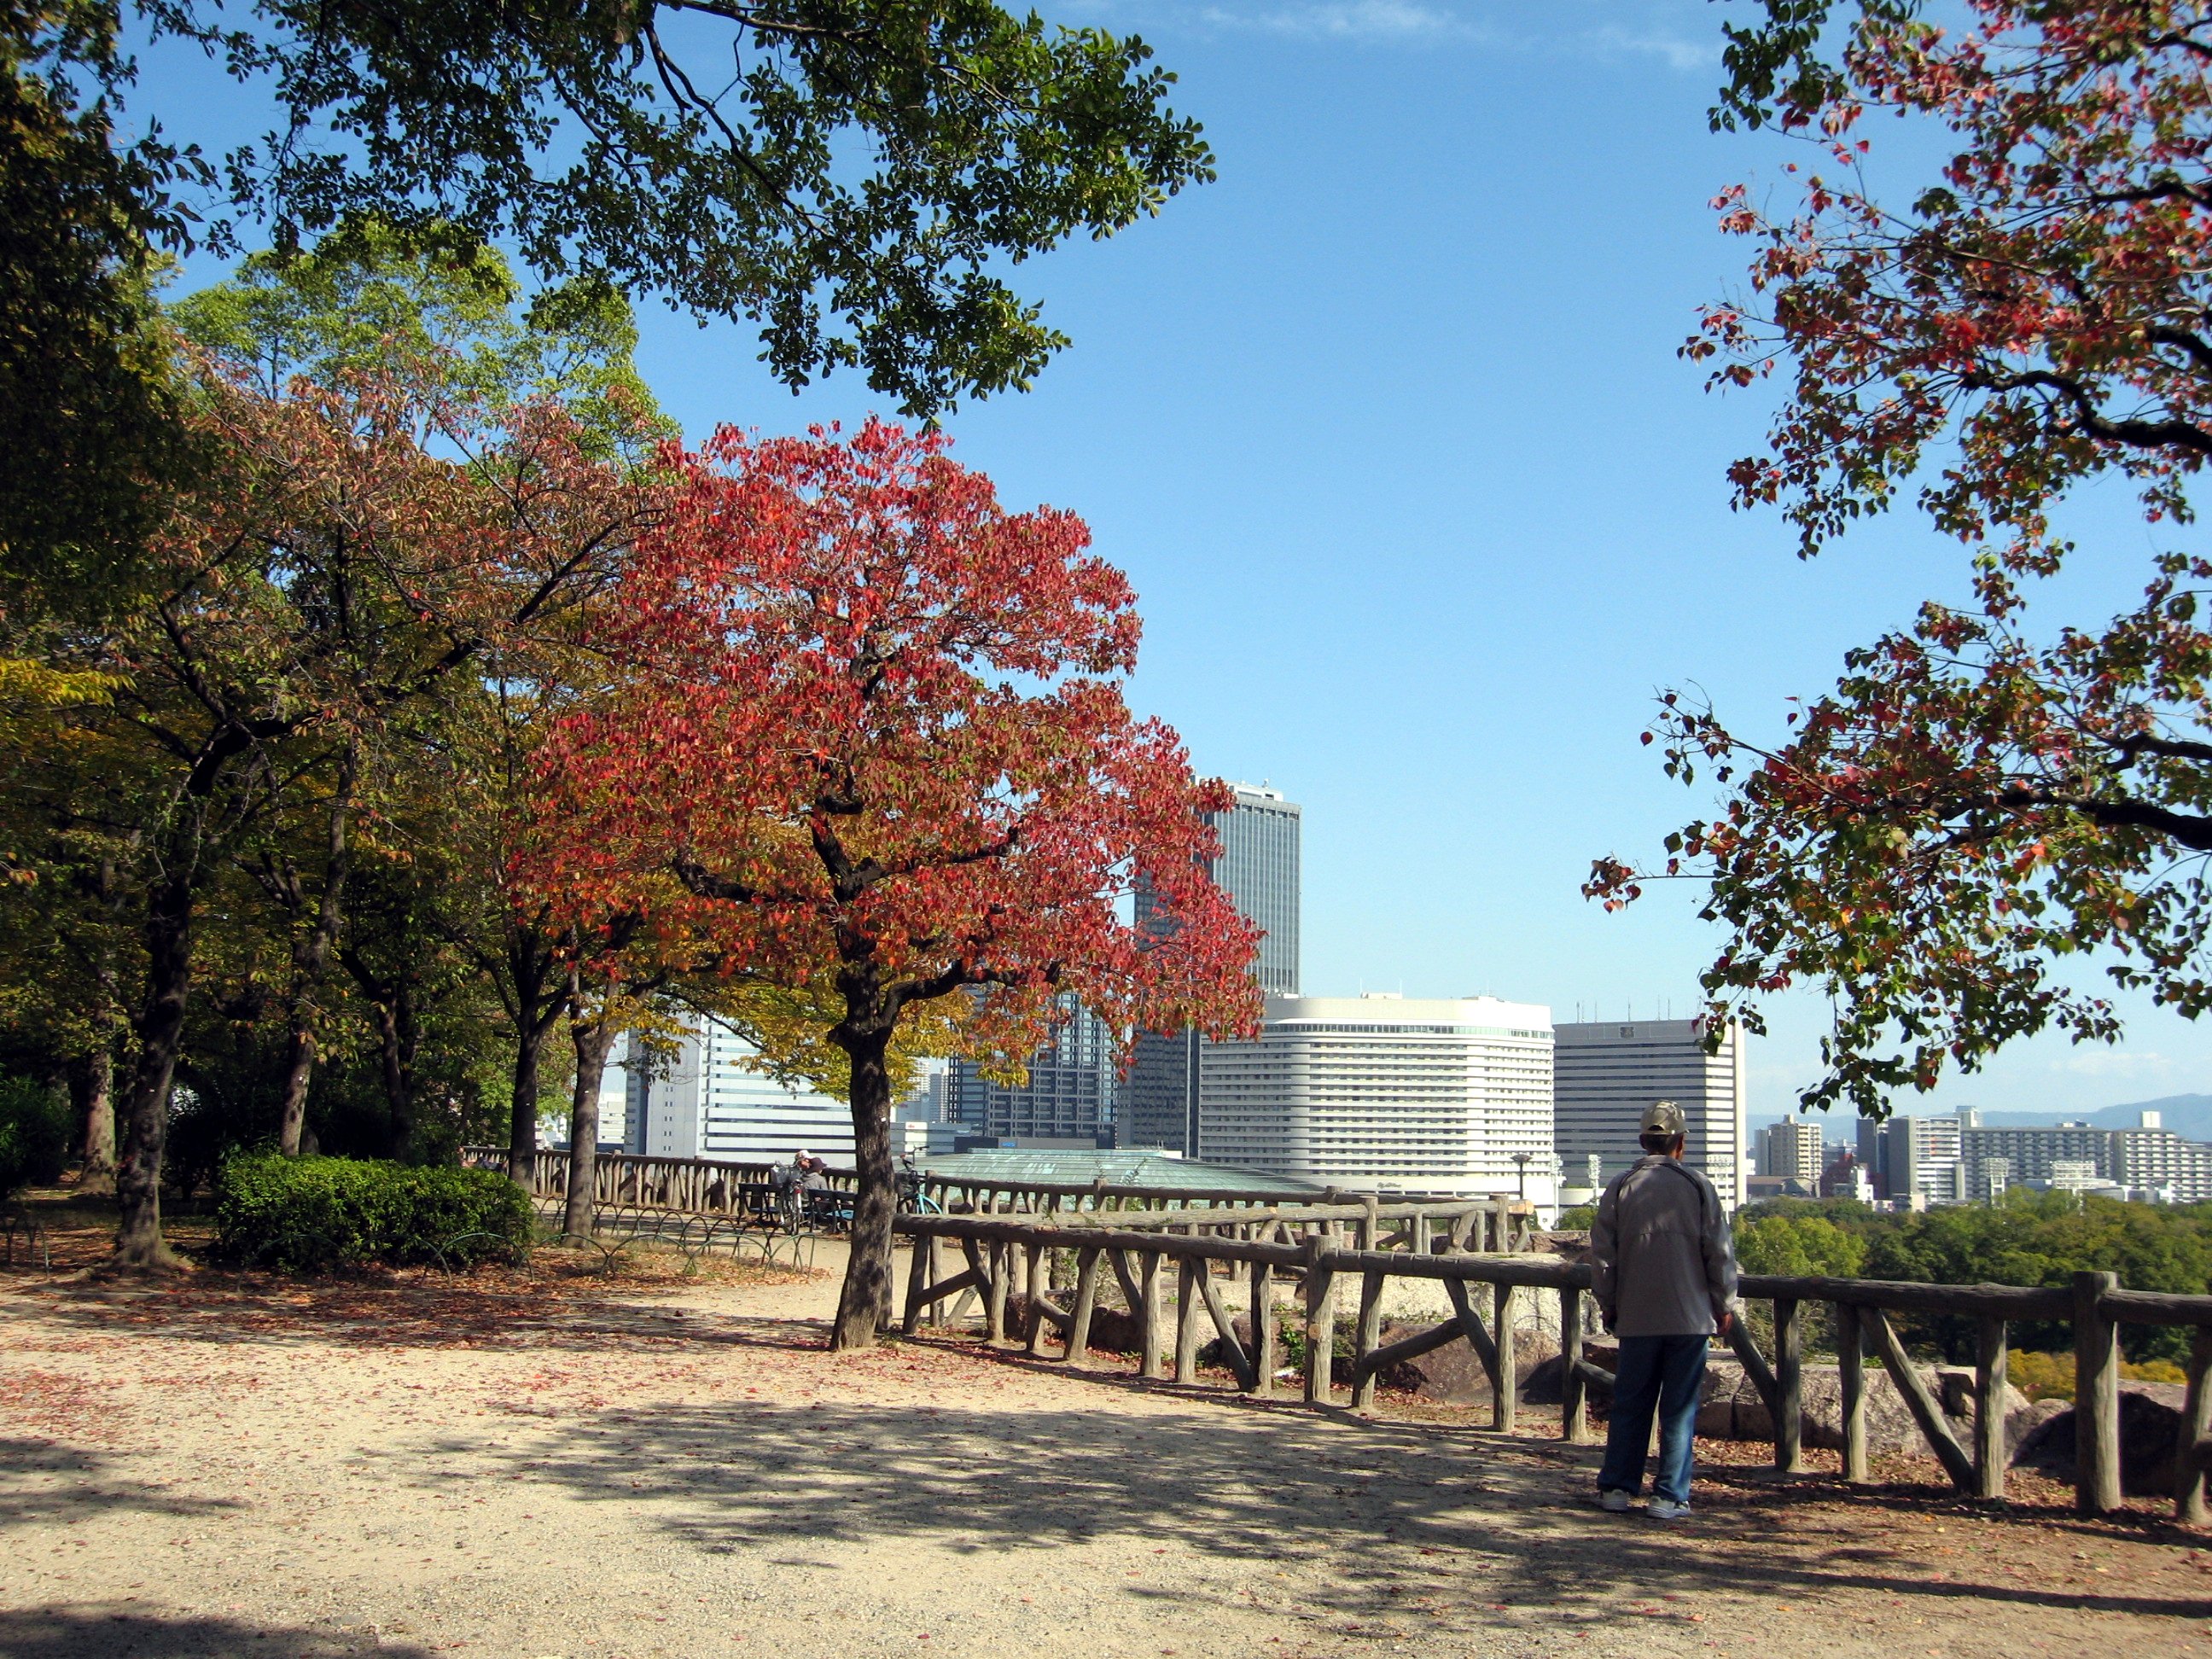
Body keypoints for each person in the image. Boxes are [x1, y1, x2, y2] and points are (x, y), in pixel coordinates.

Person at [1590, 1098, 1740, 1520]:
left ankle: (1617, 1486)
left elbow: (1603, 1256)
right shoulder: (1697, 1186)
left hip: (1636, 1314)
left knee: (1630, 1403)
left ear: (1643, 1141)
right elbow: (1719, 1252)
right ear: (1681, 1143)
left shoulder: (1621, 1185)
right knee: (1679, 1409)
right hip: (1689, 1315)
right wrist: (1724, 1301)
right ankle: (1670, 1494)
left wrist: (1608, 1303)